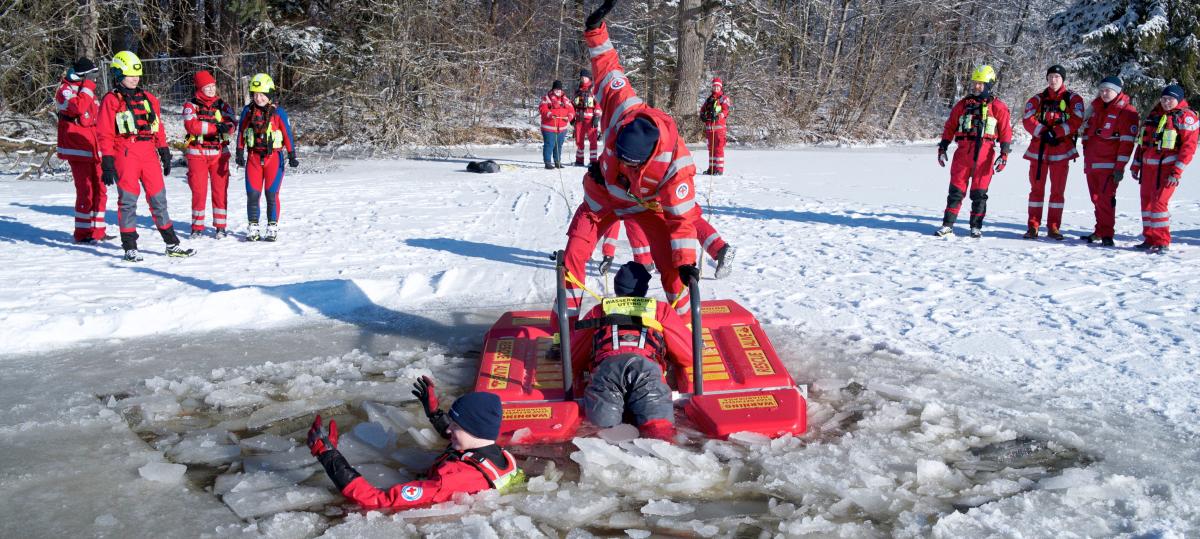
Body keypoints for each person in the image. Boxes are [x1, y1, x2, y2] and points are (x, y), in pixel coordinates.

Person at [558, 0, 704, 320]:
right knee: (573, 254)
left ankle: (682, 326)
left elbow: (680, 221)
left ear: (648, 158)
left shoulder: (675, 167)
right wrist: (595, 31)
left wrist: (686, 262)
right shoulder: (621, 107)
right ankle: (565, 328)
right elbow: (609, 67)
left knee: (670, 264)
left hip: (644, 206)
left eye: (630, 164)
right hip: (602, 199)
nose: (624, 164)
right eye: (619, 157)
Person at [307, 383, 522, 510]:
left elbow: (377, 500)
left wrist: (328, 455)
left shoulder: (449, 480)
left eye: (454, 426)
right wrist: (434, 414)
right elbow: (463, 443)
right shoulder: (499, 455)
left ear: (474, 429)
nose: (448, 431)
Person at [570, 262, 693, 440]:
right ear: (644, 289)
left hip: (606, 373)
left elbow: (574, 357)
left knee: (602, 441)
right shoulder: (661, 310)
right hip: (647, 373)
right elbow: (688, 355)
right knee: (661, 436)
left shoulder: (599, 310)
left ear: (617, 287)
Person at [96, 51, 195, 262]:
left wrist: (164, 150)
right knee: (128, 201)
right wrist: (107, 160)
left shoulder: (149, 99)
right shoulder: (111, 100)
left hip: (148, 153)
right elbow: (104, 132)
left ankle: (172, 244)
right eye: (129, 74)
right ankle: (130, 247)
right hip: (125, 152)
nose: (135, 78)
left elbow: (157, 127)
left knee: (159, 200)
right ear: (118, 74)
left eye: (137, 74)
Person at [934, 65, 1013, 238]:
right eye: (975, 83)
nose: (976, 86)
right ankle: (947, 225)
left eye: (981, 83)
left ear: (989, 85)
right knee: (955, 191)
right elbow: (950, 126)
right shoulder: (963, 105)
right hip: (963, 153)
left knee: (979, 193)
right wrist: (943, 147)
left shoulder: (998, 106)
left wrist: (1004, 154)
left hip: (985, 155)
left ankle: (975, 227)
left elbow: (1006, 132)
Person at [1021, 65, 1085, 240]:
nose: (1053, 79)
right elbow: (1027, 119)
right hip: (1039, 151)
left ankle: (1054, 227)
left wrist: (1056, 132)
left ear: (1063, 79)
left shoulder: (1073, 98)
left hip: (1061, 149)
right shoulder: (1037, 99)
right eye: (1050, 76)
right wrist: (1043, 131)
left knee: (1057, 191)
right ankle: (1033, 226)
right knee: (1036, 191)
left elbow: (1077, 119)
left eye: (1057, 76)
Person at [1130, 84, 1197, 253]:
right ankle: (1149, 238)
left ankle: (1162, 241)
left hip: (1167, 170)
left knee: (1159, 203)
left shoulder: (1186, 117)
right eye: (1164, 99)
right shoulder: (1154, 114)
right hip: (1148, 168)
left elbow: (1188, 148)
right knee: (1146, 203)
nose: (1166, 102)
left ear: (1179, 100)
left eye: (1170, 99)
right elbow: (1142, 143)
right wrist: (1136, 164)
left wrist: (1177, 171)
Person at [235, 73, 297, 242]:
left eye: (262, 94)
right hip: (254, 158)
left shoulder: (278, 113)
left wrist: (292, 154)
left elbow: (287, 134)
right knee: (253, 194)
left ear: (269, 95)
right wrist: (239, 152)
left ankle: (272, 226)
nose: (259, 98)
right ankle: (253, 226)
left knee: (271, 193)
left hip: (273, 158)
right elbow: (241, 132)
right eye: (255, 94)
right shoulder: (248, 112)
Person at [1079, 76, 1139, 246]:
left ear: (1118, 91)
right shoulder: (1095, 108)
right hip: (1091, 164)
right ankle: (1099, 230)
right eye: (1102, 90)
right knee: (1096, 199)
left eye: (1108, 90)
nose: (1104, 93)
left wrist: (1119, 168)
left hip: (1109, 166)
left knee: (1106, 200)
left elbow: (1126, 143)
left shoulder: (1127, 112)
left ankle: (1107, 234)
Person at [55, 57, 108, 243]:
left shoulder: (87, 90)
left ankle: (98, 231)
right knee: (85, 191)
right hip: (78, 149)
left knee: (100, 188)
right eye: (92, 76)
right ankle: (82, 233)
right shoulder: (65, 90)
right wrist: (87, 87)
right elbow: (78, 108)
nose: (94, 79)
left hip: (94, 148)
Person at [182, 70, 237, 238]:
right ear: (200, 88)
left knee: (220, 191)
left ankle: (220, 226)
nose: (212, 90)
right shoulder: (191, 105)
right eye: (207, 87)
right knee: (199, 191)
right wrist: (215, 128)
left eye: (213, 86)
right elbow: (192, 126)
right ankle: (197, 227)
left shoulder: (222, 105)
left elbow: (232, 123)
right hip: (197, 153)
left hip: (219, 153)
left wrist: (227, 127)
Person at [539, 80, 575, 169]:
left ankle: (557, 161)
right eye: (556, 89)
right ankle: (547, 162)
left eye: (559, 89)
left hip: (562, 128)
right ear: (553, 89)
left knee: (558, 145)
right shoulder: (546, 98)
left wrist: (569, 117)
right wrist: (550, 114)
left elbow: (571, 110)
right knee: (549, 144)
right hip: (549, 127)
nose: (557, 91)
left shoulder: (566, 99)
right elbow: (542, 109)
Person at [700, 77, 731, 175]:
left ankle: (719, 169)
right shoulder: (709, 99)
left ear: (720, 87)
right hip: (709, 128)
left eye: (718, 86)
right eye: (714, 86)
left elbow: (725, 111)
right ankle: (711, 168)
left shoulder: (724, 99)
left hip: (719, 128)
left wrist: (718, 116)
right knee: (711, 149)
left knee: (718, 148)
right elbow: (703, 109)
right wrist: (702, 115)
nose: (716, 88)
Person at [573, 69, 602, 166]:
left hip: (590, 120)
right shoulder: (578, 90)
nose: (583, 79)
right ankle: (579, 160)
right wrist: (572, 117)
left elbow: (598, 104)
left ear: (588, 77)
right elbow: (573, 104)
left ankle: (593, 161)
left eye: (584, 77)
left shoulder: (593, 89)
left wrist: (597, 116)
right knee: (579, 140)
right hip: (579, 119)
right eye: (582, 77)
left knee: (593, 140)